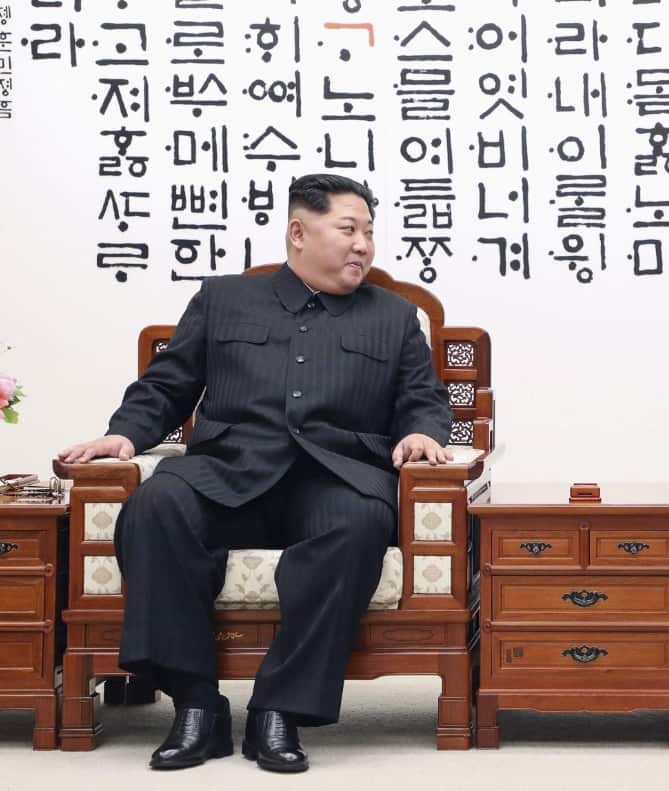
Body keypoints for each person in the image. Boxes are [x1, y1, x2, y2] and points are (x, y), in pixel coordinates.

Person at [59, 173, 453, 773]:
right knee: (157, 505)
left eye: (369, 233)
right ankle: (196, 705)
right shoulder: (222, 299)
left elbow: (423, 400)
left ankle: (280, 711)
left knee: (357, 524)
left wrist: (423, 431)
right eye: (348, 229)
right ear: (299, 232)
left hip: (336, 477)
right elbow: (168, 386)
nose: (363, 246)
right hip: (230, 471)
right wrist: (125, 435)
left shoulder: (394, 317)